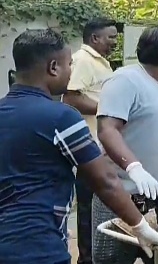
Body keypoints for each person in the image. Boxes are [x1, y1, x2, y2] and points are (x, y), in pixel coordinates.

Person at [0, 28, 158, 264]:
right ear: (53, 67)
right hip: (40, 246)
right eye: (69, 64)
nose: (71, 71)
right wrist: (140, 226)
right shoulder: (61, 118)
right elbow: (106, 182)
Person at [93, 25, 158, 264]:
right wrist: (134, 168)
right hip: (121, 200)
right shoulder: (126, 80)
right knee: (112, 260)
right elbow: (107, 130)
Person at [62, 17, 118, 264]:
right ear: (95, 38)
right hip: (88, 148)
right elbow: (71, 99)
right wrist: (106, 109)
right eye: (111, 37)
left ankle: (96, 254)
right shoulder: (83, 60)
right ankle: (86, 258)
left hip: (101, 147)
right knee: (87, 207)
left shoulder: (100, 61)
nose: (115, 42)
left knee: (98, 206)